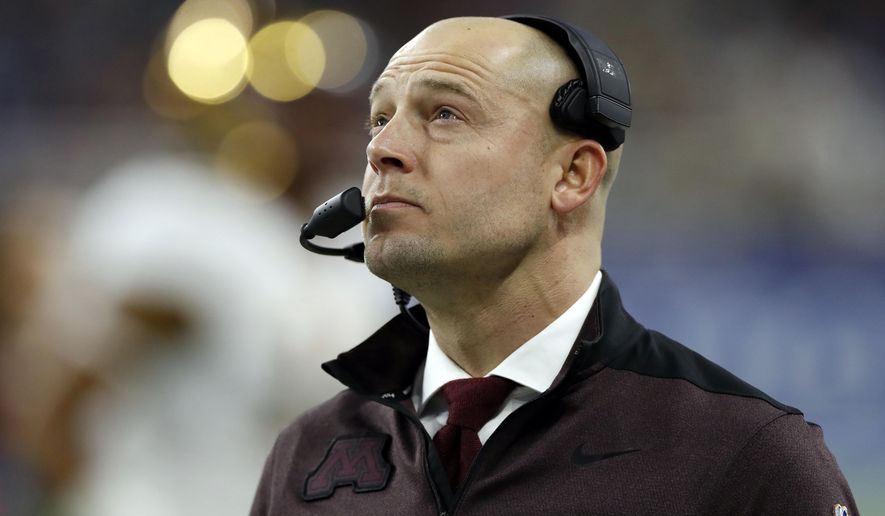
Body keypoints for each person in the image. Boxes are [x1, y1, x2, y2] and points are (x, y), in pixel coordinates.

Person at [251, 16, 857, 515]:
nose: (381, 149)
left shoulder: (746, 458)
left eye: (445, 115)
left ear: (572, 175)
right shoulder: (309, 453)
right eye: (380, 119)